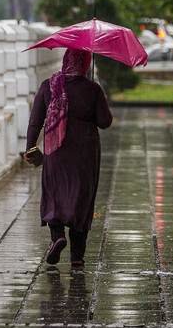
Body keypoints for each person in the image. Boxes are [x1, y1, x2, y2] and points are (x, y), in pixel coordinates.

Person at [25, 48, 113, 268]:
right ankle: (77, 257)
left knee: (55, 193)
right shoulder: (92, 89)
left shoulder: (49, 86)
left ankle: (57, 237)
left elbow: (35, 121)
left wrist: (30, 148)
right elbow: (105, 122)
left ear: (65, 60)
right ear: (85, 64)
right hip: (85, 154)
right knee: (81, 199)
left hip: (56, 152)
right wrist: (94, 96)